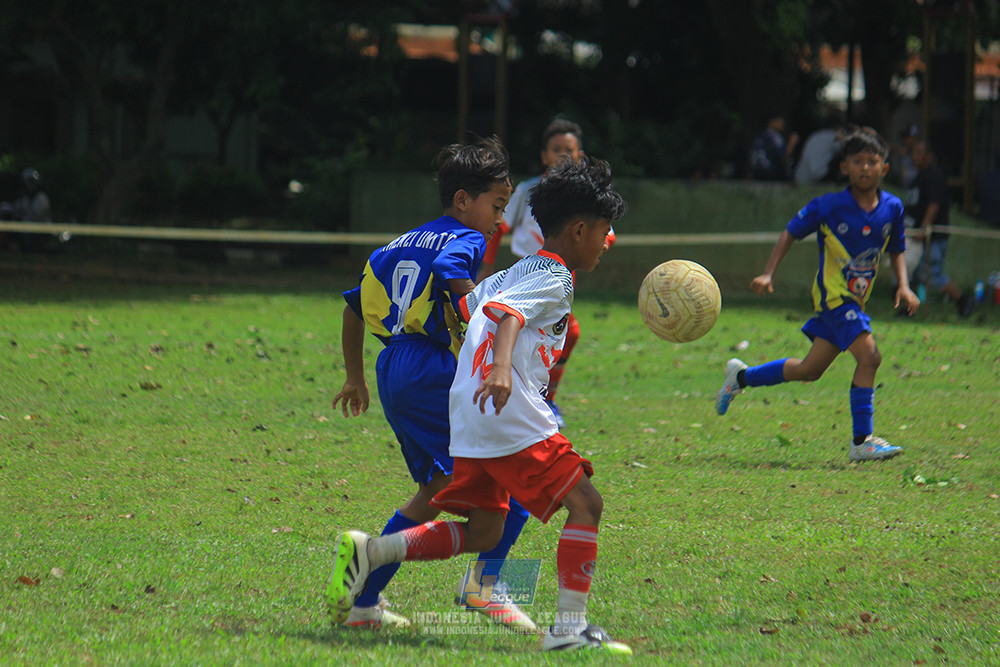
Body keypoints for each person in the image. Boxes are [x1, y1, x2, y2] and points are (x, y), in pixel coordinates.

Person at [327, 155, 632, 653]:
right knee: (586, 504)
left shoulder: (517, 268)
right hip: (498, 404)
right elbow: (507, 315)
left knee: (484, 528)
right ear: (579, 230)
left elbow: (472, 306)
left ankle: (374, 553)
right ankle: (565, 628)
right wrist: (501, 367)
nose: (608, 240)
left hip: (460, 403)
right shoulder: (549, 275)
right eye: (604, 230)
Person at [331, 136, 535, 631]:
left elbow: (354, 307)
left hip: (394, 368)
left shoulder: (397, 243)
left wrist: (355, 376)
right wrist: (483, 311)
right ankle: (485, 586)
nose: (499, 220)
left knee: (436, 489)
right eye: (496, 206)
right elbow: (449, 270)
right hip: (433, 369)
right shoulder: (465, 239)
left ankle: (363, 602)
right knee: (522, 469)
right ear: (463, 200)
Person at [716, 126, 921, 463]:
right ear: (844, 167)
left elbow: (897, 248)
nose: (865, 168)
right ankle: (862, 441)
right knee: (870, 357)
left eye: (872, 161)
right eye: (857, 161)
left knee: (809, 370)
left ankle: (740, 377)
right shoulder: (829, 206)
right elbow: (790, 233)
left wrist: (904, 284)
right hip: (835, 298)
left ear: (884, 168)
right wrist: (768, 272)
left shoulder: (893, 207)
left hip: (855, 302)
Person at [478, 117, 607, 429]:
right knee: (534, 328)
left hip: (562, 274)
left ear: (580, 155)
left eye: (569, 149)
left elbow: (606, 233)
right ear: (544, 156)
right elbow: (500, 228)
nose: (563, 155)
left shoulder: (586, 197)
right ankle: (519, 388)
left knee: (553, 333)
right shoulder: (527, 191)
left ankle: (539, 396)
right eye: (556, 149)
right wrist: (487, 265)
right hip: (530, 272)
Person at [908, 140, 974, 318]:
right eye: (913, 152)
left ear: (929, 156)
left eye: (919, 152)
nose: (914, 156)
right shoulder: (918, 177)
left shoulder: (934, 176)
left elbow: (934, 204)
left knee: (932, 274)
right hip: (916, 235)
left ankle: (962, 300)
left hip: (933, 237)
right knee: (913, 272)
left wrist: (924, 229)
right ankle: (908, 308)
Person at [793, 112, 843, 186]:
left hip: (801, 178)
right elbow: (845, 152)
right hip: (818, 176)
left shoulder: (815, 135)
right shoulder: (833, 136)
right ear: (837, 127)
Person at [749, 112, 799, 181]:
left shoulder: (760, 136)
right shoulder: (775, 136)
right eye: (779, 121)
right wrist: (792, 143)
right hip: (771, 173)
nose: (782, 123)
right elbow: (784, 155)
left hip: (757, 172)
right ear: (772, 122)